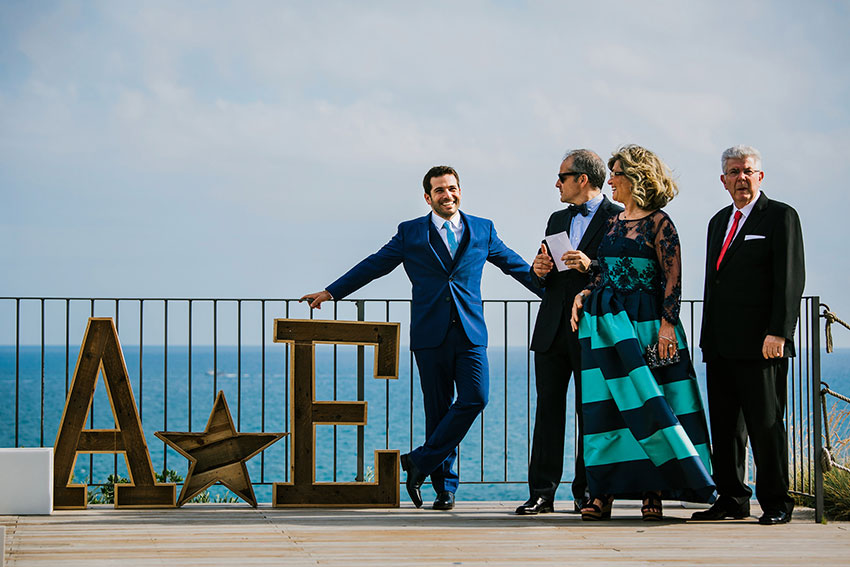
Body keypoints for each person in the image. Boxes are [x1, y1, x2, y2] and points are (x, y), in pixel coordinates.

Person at [301, 165, 541, 510]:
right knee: (437, 411)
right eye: (440, 190)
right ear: (428, 197)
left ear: (460, 190)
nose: (448, 195)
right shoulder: (411, 233)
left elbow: (516, 266)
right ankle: (445, 489)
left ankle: (419, 462)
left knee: (476, 397)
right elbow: (375, 264)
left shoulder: (483, 229)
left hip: (471, 332)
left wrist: (554, 296)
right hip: (430, 334)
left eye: (453, 188)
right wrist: (331, 292)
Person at [570, 144, 716, 521]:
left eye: (615, 173)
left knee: (654, 405)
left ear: (634, 177)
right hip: (605, 327)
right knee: (606, 410)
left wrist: (668, 328)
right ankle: (602, 493)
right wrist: (584, 294)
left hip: (650, 324)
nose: (611, 180)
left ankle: (654, 491)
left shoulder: (660, 222)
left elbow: (673, 279)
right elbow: (604, 273)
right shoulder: (614, 222)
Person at [694, 145, 805, 525]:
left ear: (760, 176)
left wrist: (779, 332)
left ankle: (776, 503)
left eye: (747, 171)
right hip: (721, 344)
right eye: (734, 172)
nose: (741, 177)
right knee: (725, 429)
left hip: (762, 344)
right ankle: (731, 498)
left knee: (766, 425)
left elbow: (789, 280)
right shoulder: (717, 221)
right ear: (723, 181)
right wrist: (707, 338)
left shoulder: (780, 217)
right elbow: (716, 282)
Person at [515, 149, 621, 516]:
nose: (557, 183)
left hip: (592, 328)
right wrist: (538, 268)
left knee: (589, 412)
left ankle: (587, 492)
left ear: (583, 179)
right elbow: (543, 276)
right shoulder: (557, 216)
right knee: (547, 413)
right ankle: (542, 493)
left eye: (562, 176)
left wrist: (591, 266)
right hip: (551, 330)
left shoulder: (618, 217)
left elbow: (622, 274)